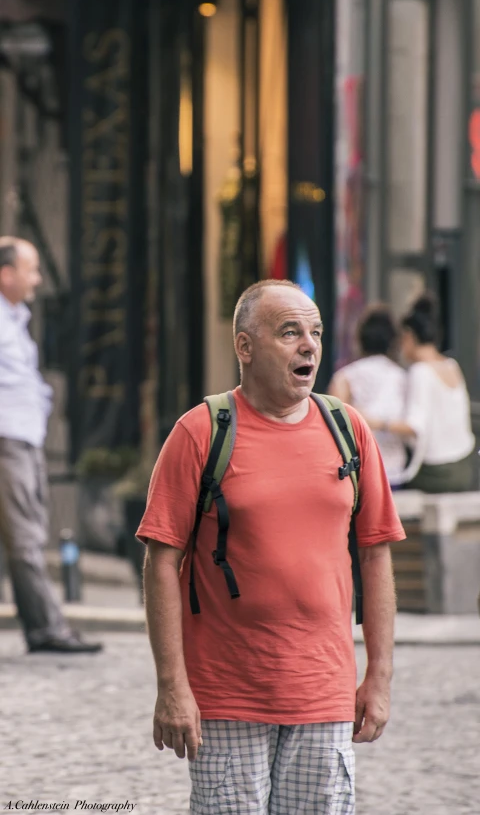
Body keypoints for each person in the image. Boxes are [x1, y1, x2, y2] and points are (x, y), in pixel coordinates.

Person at [137, 279, 405, 815]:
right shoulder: (201, 432)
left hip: (323, 695)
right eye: (290, 333)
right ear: (245, 347)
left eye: (316, 332)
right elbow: (161, 561)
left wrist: (378, 674)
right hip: (227, 694)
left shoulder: (347, 429)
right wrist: (172, 686)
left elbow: (376, 554)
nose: (309, 345)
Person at [0, 236, 102, 653]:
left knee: (25, 532)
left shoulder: (14, 318)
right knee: (25, 535)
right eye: (32, 269)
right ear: (6, 274)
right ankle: (46, 628)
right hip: (7, 436)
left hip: (22, 436)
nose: (38, 279)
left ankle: (45, 626)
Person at [367, 292, 476, 492]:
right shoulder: (452, 365)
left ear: (409, 336)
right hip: (465, 466)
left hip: (438, 472)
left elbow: (414, 425)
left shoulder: (420, 372)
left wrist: (375, 422)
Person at [328, 304, 407, 484]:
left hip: (359, 473)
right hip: (396, 471)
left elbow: (335, 427)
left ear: (360, 339)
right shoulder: (402, 377)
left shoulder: (344, 377)